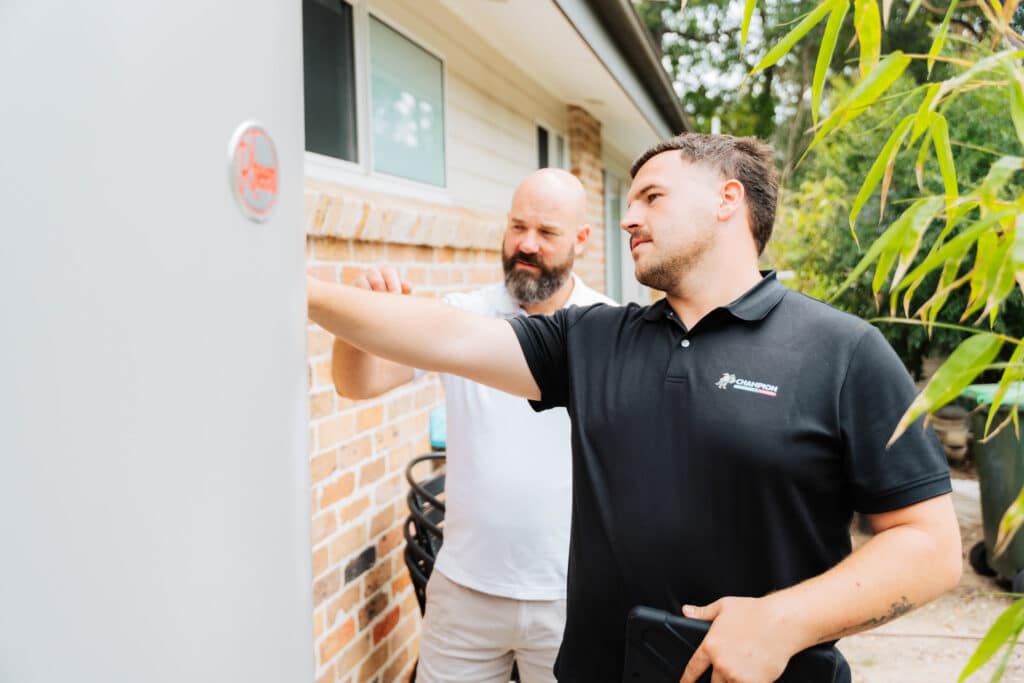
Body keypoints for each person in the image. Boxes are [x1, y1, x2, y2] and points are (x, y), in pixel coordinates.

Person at [307, 134, 962, 683]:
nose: (629, 217)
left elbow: (929, 546)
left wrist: (785, 619)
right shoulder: (590, 337)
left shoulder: (842, 351)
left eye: (652, 196)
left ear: (727, 200)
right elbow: (444, 335)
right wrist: (292, 282)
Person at [328, 169, 614, 683]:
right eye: (516, 226)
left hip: (571, 596)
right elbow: (357, 384)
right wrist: (357, 320)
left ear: (582, 240)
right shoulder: (464, 317)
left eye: (547, 233)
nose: (526, 244)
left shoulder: (611, 329)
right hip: (464, 594)